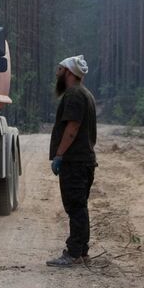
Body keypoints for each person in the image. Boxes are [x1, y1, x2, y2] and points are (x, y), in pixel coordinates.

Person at [47, 55, 97, 268]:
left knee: (75, 207)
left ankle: (74, 253)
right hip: (83, 161)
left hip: (75, 162)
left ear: (69, 72)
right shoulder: (85, 93)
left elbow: (73, 127)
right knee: (79, 206)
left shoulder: (74, 94)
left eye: (60, 69)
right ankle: (82, 251)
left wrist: (59, 155)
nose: (57, 73)